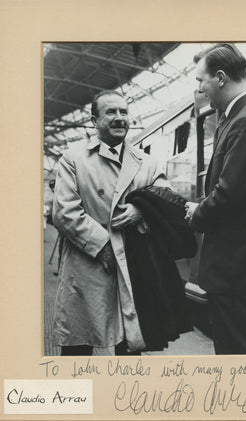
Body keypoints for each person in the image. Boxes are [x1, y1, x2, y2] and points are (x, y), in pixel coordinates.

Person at [52, 89, 171, 356]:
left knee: (129, 347)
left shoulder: (147, 162)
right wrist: (103, 245)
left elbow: (166, 198)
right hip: (88, 264)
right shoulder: (73, 158)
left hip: (133, 266)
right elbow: (64, 211)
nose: (119, 118)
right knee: (78, 347)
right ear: (94, 121)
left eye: (124, 112)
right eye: (111, 112)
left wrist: (142, 209)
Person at [185, 44, 246, 354]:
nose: (199, 89)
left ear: (220, 77)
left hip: (240, 276)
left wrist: (197, 211)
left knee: (240, 359)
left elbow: (229, 194)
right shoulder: (243, 116)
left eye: (201, 80)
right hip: (240, 274)